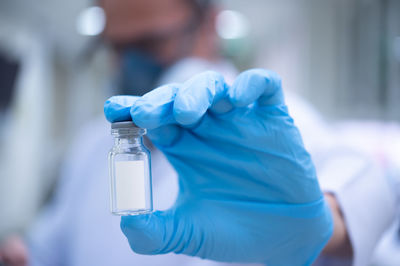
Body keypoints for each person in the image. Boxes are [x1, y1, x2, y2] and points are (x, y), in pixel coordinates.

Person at [1, 0, 399, 265]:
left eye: (150, 43)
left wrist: (324, 220)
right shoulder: (92, 145)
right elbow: (48, 246)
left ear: (209, 26)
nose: (127, 63)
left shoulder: (263, 119)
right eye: (116, 47)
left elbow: (363, 181)